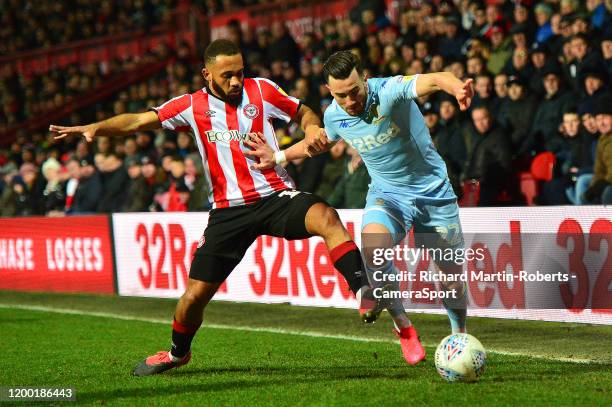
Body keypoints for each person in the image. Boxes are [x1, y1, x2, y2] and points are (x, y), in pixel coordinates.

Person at [50, 39, 380, 376]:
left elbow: (302, 111)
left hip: (273, 196)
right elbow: (137, 122)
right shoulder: (191, 105)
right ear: (207, 74)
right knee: (193, 298)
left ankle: (363, 291)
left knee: (326, 215)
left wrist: (311, 128)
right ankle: (177, 354)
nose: (236, 81)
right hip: (228, 211)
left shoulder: (262, 90)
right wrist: (95, 127)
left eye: (239, 72)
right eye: (227, 75)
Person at [245, 51, 474, 366]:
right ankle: (403, 327)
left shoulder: (390, 90)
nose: (350, 100)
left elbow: (434, 79)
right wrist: (279, 157)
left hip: (434, 193)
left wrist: (457, 87)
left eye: (354, 91)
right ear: (330, 92)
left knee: (449, 277)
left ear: (365, 78)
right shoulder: (334, 115)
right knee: (374, 251)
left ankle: (459, 334)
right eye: (341, 95)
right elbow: (321, 143)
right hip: (387, 194)